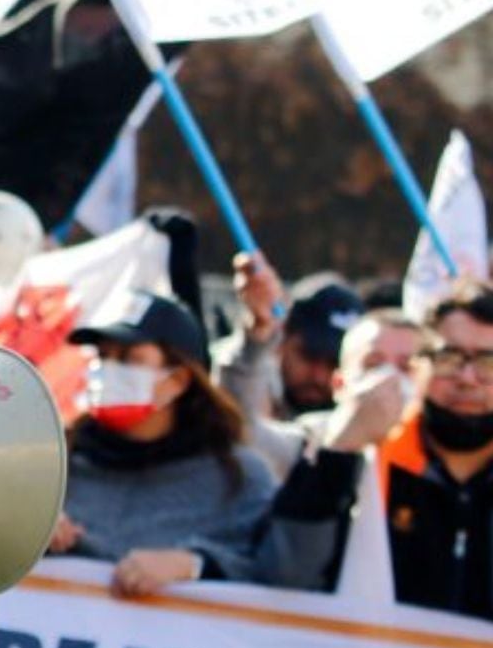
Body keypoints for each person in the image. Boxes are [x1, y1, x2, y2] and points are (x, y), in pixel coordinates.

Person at [261, 281, 493, 621]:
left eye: (488, 362)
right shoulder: (365, 457)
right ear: (420, 366)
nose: (468, 378)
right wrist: (337, 455)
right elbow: (283, 577)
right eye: (449, 357)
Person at [49, 290, 275, 596]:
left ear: (177, 381)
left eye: (129, 358)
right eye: (103, 356)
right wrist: (28, 535)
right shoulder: (54, 462)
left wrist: (197, 565)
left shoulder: (239, 478)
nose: (108, 370)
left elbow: (279, 574)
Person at [221, 255, 423, 478]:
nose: (389, 379)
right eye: (373, 365)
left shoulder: (454, 455)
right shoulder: (308, 443)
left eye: (406, 367)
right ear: (339, 383)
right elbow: (241, 434)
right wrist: (257, 337)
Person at [217, 256, 365, 423]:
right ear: (283, 339)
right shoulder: (244, 371)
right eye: (309, 355)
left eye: (334, 363)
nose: (319, 376)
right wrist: (258, 330)